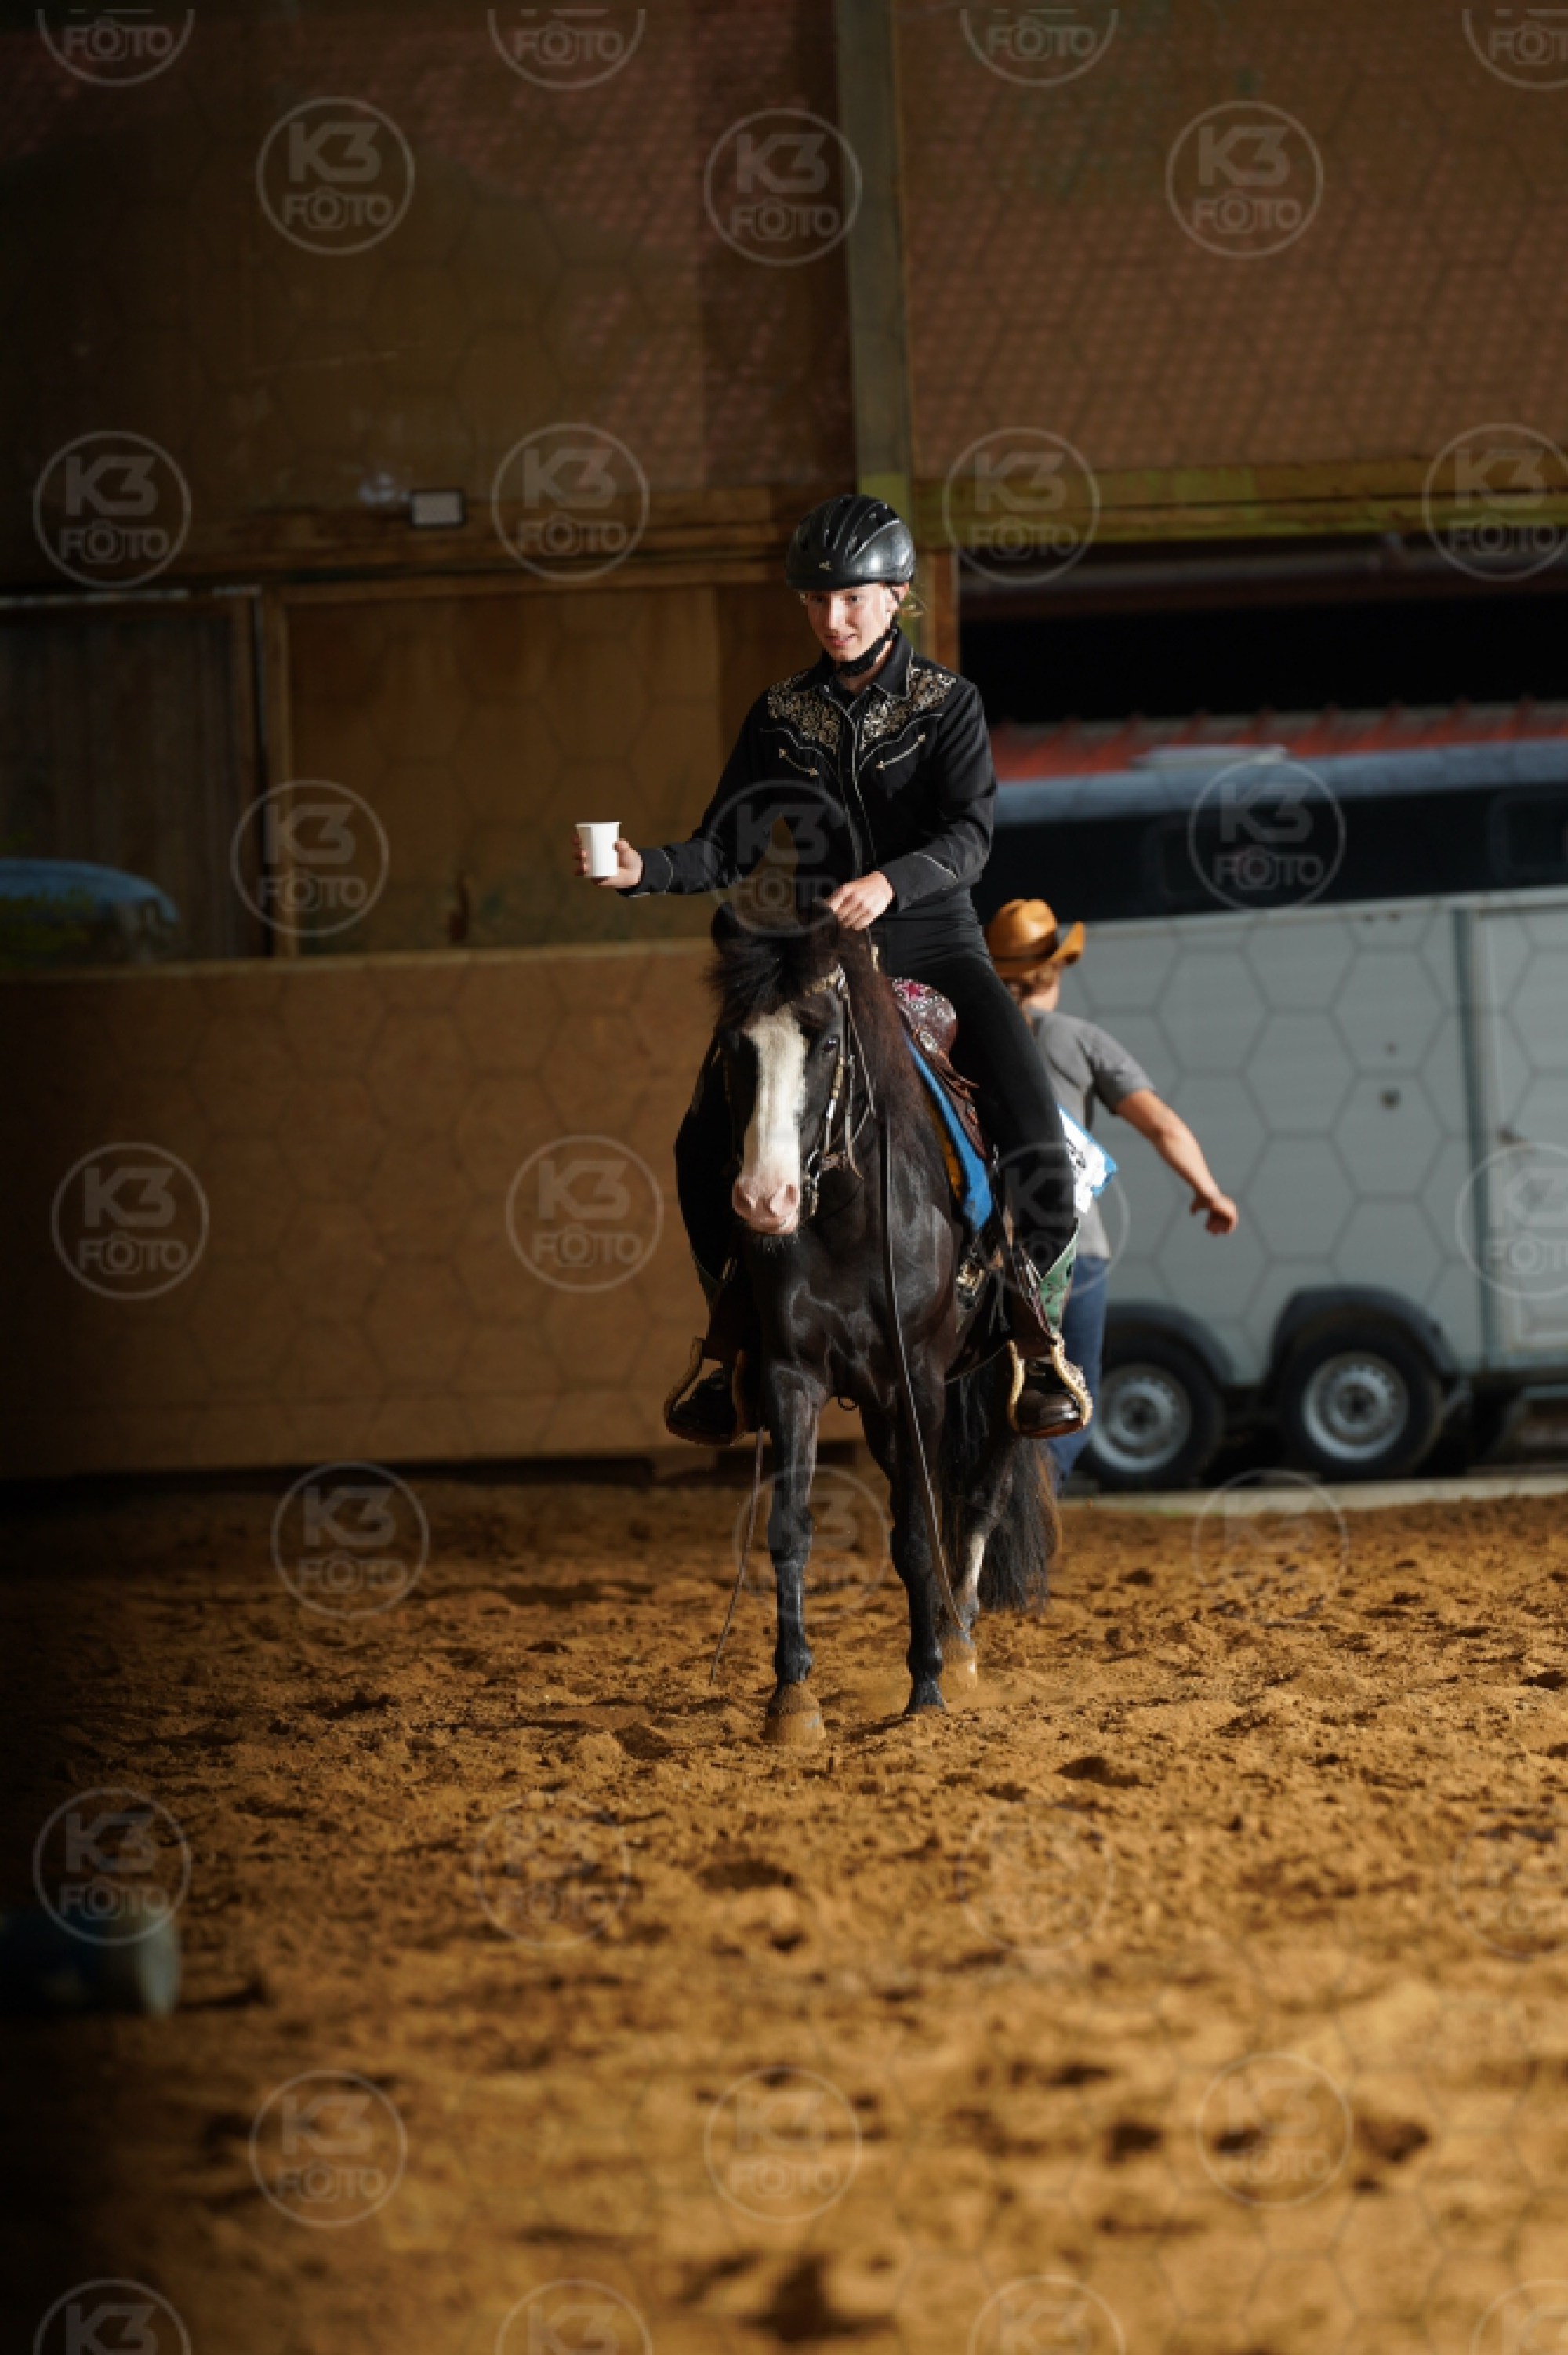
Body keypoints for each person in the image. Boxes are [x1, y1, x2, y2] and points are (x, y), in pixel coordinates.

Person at [573, 492, 1089, 1446]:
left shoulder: (948, 704)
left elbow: (969, 837)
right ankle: (728, 1344)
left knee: (1040, 1144)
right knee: (698, 1141)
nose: (832, 617)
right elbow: (723, 847)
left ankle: (1034, 1334)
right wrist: (642, 870)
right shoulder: (780, 714)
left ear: (897, 595)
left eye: (851, 597)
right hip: (817, 960)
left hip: (938, 944)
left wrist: (891, 884)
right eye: (816, 600)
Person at [985, 897, 1240, 1481]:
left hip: (982, 1250)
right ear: (1056, 971)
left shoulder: (964, 1040)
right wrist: (1209, 1191)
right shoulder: (1078, 1040)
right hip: (1073, 1252)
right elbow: (1163, 1125)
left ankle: (987, 1503)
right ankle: (1038, 1496)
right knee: (1072, 1397)